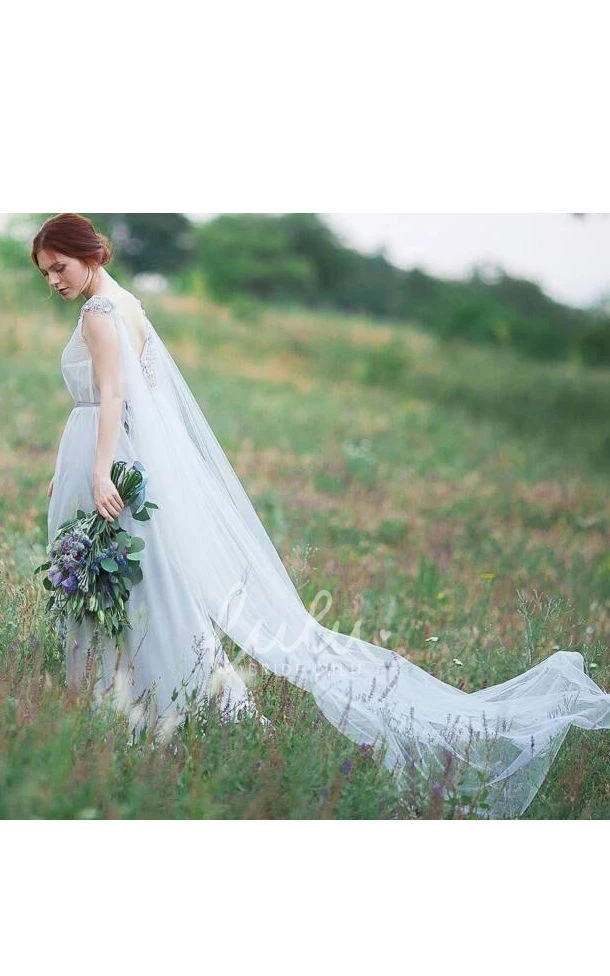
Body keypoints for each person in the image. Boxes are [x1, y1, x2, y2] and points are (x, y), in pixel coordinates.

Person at [32, 213, 610, 818]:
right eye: (46, 274)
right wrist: (70, 467)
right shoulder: (129, 305)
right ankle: (166, 705)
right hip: (116, 460)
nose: (55, 281)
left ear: (91, 254)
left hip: (108, 469)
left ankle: (131, 709)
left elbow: (116, 397)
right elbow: (121, 404)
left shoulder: (99, 315)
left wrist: (96, 472)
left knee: (132, 593)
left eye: (61, 268)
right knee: (150, 591)